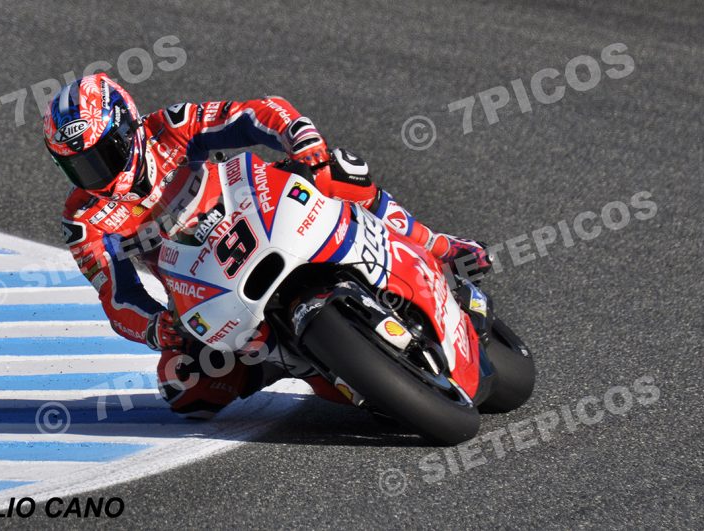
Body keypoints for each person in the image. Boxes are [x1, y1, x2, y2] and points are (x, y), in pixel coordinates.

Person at [44, 73, 490, 419]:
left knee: (340, 170)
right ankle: (300, 363)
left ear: (128, 126)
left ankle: (437, 246)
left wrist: (302, 138)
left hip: (261, 211)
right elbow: (118, 298)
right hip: (206, 285)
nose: (97, 175)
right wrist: (154, 327)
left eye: (104, 155)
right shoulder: (84, 221)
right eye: (79, 167)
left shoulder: (170, 129)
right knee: (182, 387)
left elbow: (255, 113)